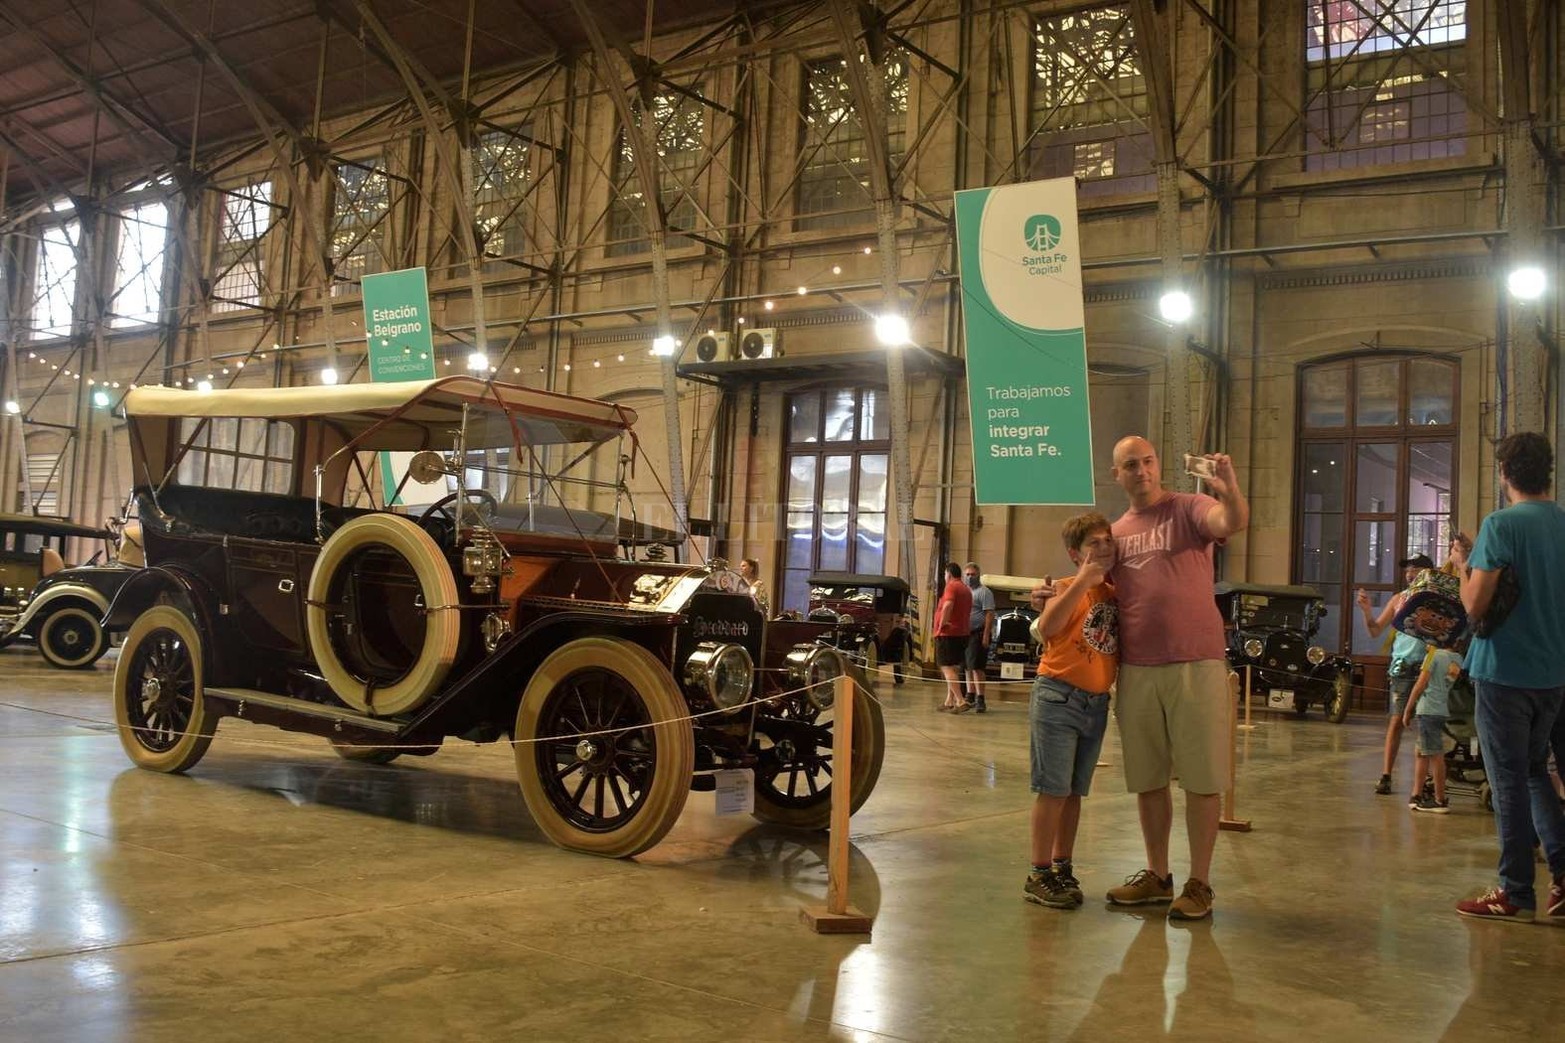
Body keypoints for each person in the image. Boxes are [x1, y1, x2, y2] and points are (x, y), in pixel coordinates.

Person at [1102, 436, 1248, 922]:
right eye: (1130, 465)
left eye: (1147, 462)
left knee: (1203, 780)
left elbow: (1230, 521)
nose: (1141, 470)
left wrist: (1228, 488)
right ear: (1116, 474)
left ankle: (1199, 883)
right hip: (1138, 667)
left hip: (1195, 662)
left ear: (1157, 465)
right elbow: (1095, 586)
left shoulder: (1189, 507)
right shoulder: (1115, 532)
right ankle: (1158, 876)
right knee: (1148, 779)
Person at [1451, 432, 1565, 922]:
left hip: (1503, 672)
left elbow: (1475, 605)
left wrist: (1461, 567)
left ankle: (1515, 890)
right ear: (1548, 473)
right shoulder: (1562, 523)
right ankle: (1563, 879)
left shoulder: (1500, 524)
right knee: (1537, 773)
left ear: (1503, 475)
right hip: (1554, 674)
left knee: (1508, 781)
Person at [1022, 513, 1118, 909]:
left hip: (1095, 704)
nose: (1104, 548)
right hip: (1059, 698)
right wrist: (1082, 582)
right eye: (1093, 543)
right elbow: (1047, 628)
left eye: (1108, 540)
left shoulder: (1115, 594)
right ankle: (1039, 872)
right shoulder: (1063, 587)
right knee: (1053, 790)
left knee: (1075, 792)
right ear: (1074, 554)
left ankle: (1063, 864)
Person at [1355, 554, 1435, 796]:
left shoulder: (1435, 602)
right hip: (1402, 667)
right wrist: (1367, 611)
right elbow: (1375, 630)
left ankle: (1427, 780)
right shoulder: (1398, 599)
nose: (1410, 573)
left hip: (1427, 667)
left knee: (1427, 724)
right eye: (1408, 569)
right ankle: (1386, 775)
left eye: (1416, 569)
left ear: (1428, 573)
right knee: (1396, 721)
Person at [1403, 641, 1462, 814]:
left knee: (1435, 754)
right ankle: (1417, 794)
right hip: (1441, 710)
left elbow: (1420, 684)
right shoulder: (1458, 658)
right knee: (1421, 752)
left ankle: (1440, 799)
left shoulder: (1432, 656)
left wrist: (1408, 709)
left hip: (1428, 709)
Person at [933, 562, 973, 713]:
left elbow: (948, 605)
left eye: (944, 574)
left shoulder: (951, 586)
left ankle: (960, 700)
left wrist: (941, 625)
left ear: (948, 574)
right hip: (962, 634)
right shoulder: (966, 589)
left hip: (948, 634)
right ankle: (949, 701)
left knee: (946, 667)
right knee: (954, 669)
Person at [963, 563, 996, 713]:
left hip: (978, 633)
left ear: (978, 575)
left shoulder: (984, 592)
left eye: (973, 574)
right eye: (968, 575)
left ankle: (980, 698)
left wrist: (986, 635)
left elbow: (989, 614)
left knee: (977, 667)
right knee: (967, 667)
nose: (970, 577)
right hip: (964, 634)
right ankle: (970, 695)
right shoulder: (964, 592)